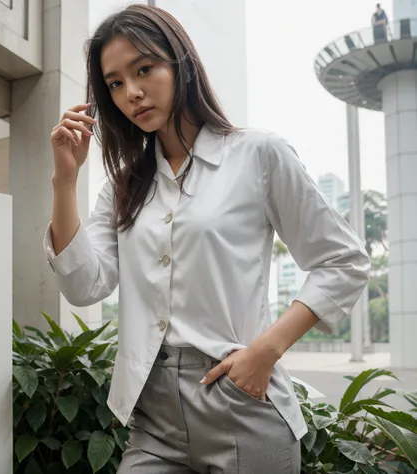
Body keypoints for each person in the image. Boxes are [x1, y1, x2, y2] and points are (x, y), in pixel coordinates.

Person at [45, 4, 370, 473]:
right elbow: (84, 286)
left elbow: (343, 260)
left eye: (144, 69)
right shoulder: (122, 187)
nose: (132, 93)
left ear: (180, 63)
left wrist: (266, 350)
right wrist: (64, 180)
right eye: (115, 83)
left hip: (239, 399)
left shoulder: (258, 154)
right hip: (152, 414)